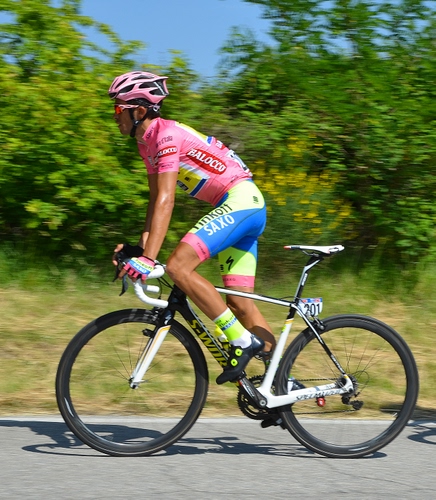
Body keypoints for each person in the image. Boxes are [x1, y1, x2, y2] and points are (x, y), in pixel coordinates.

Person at [109, 70, 276, 384]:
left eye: (119, 108)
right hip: (245, 206)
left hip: (241, 201)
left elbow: (167, 199)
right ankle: (279, 384)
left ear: (139, 111)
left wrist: (149, 259)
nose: (114, 115)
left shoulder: (165, 136)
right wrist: (141, 250)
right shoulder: (146, 143)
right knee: (240, 304)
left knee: (178, 267)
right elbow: (155, 200)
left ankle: (242, 342)